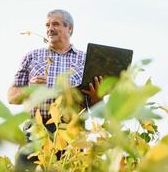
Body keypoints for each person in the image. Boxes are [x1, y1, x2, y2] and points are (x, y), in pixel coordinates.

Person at [7, 9, 101, 170]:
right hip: (35, 132)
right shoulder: (32, 56)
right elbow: (11, 96)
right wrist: (30, 90)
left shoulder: (86, 60)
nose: (50, 28)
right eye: (47, 25)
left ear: (69, 28)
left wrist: (96, 96)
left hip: (72, 135)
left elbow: (97, 106)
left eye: (55, 24)